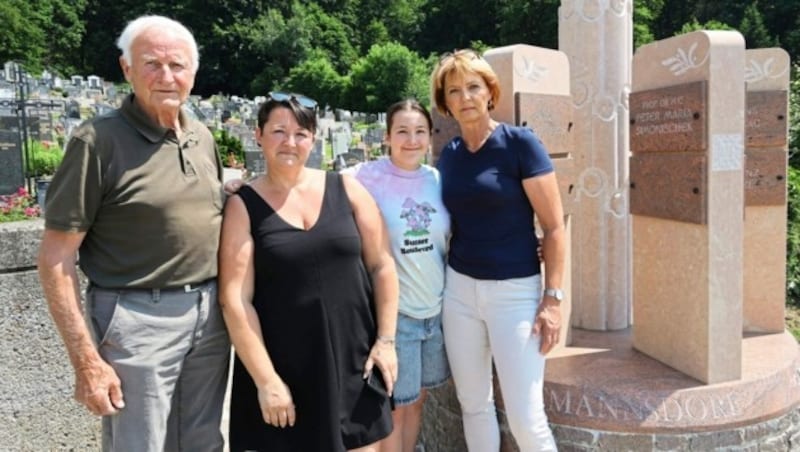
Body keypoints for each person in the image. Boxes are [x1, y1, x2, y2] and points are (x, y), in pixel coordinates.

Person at [37, 15, 230, 452]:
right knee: (140, 445)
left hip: (209, 316)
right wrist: (86, 360)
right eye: (152, 64)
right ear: (126, 69)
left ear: (193, 74)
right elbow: (55, 257)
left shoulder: (201, 136)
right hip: (138, 318)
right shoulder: (97, 141)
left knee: (203, 442)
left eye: (177, 65)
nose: (166, 76)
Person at [218, 92, 399, 452]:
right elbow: (235, 300)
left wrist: (386, 341)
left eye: (301, 133)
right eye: (278, 131)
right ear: (258, 135)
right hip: (287, 368)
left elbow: (382, 264)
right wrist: (266, 379)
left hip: (354, 360)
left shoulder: (346, 189)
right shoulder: (243, 206)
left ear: (313, 139)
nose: (290, 142)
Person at [430, 49, 565, 451]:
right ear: (445, 102)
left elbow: (555, 227)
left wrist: (552, 299)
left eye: (473, 87)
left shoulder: (520, 144)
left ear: (490, 92)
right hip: (459, 293)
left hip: (515, 294)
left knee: (526, 419)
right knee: (474, 405)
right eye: (454, 90)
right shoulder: (449, 156)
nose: (465, 97)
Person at [343, 100, 451, 452]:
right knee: (395, 406)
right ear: (387, 136)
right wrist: (243, 189)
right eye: (402, 131)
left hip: (434, 313)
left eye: (420, 131)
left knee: (417, 400)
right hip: (397, 314)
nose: (411, 140)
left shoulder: (436, 179)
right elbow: (306, 185)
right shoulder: (364, 177)